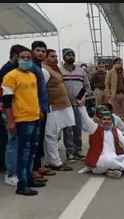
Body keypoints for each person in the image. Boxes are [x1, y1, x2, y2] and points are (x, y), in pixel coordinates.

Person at [2, 46, 45, 196]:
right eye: (23, 57)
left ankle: (29, 179)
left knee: (32, 152)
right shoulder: (10, 76)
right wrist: (10, 121)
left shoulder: (32, 75)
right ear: (17, 58)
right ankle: (21, 184)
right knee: (22, 153)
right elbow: (6, 102)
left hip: (34, 118)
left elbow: (34, 96)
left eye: (29, 58)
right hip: (22, 120)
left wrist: (39, 111)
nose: (26, 60)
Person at [76, 98, 124, 178]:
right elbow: (85, 119)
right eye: (104, 119)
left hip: (114, 158)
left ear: (112, 121)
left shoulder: (115, 130)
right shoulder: (94, 128)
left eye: (109, 119)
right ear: (100, 120)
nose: (106, 121)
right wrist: (81, 106)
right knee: (108, 160)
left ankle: (113, 171)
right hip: (99, 161)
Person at [41, 49, 74, 171]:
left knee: (55, 134)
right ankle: (55, 162)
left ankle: (51, 160)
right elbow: (41, 90)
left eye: (56, 56)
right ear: (45, 58)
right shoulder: (44, 70)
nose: (55, 58)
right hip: (52, 107)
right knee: (51, 134)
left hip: (60, 107)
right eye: (52, 56)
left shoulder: (54, 69)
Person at [61, 48, 91, 163]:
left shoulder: (81, 71)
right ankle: (70, 152)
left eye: (72, 54)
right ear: (64, 57)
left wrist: (82, 97)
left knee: (78, 129)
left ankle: (78, 150)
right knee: (67, 130)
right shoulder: (60, 71)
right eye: (68, 55)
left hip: (78, 105)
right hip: (66, 105)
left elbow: (87, 86)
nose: (70, 56)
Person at [0, 44, 24, 186]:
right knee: (12, 141)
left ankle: (15, 170)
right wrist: (9, 117)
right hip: (8, 110)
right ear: (15, 56)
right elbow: (7, 96)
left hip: (16, 109)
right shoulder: (8, 71)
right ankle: (10, 173)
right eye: (22, 57)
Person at [30, 41, 52, 183]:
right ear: (33, 51)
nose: (41, 53)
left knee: (39, 140)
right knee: (33, 141)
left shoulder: (39, 67)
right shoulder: (31, 68)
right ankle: (32, 170)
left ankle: (37, 166)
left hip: (43, 108)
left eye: (43, 51)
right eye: (38, 50)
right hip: (34, 110)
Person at [104, 57, 124, 126]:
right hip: (115, 96)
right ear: (114, 64)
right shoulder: (110, 73)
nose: (118, 64)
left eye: (119, 63)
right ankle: (116, 130)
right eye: (116, 63)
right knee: (115, 114)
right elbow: (107, 85)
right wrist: (109, 95)